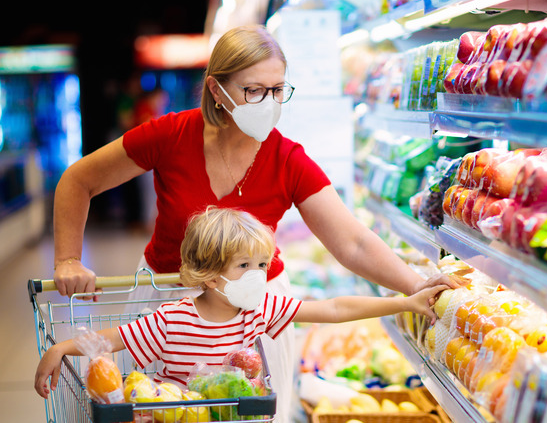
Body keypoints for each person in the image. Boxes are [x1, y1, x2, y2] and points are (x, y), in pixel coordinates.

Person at [49, 24, 459, 421]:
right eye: (254, 90)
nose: (269, 102)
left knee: (249, 413)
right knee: (161, 410)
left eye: (278, 90)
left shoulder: (287, 159)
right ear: (217, 89)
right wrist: (68, 258)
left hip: (254, 312)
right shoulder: (171, 135)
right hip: (168, 307)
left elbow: (352, 242)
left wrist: (415, 286)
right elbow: (78, 180)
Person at [35, 207, 446, 400]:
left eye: (263, 264)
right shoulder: (172, 320)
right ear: (210, 275)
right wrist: (60, 348)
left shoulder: (259, 309)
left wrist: (405, 302)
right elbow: (112, 339)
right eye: (245, 265)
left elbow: (335, 309)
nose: (259, 275)